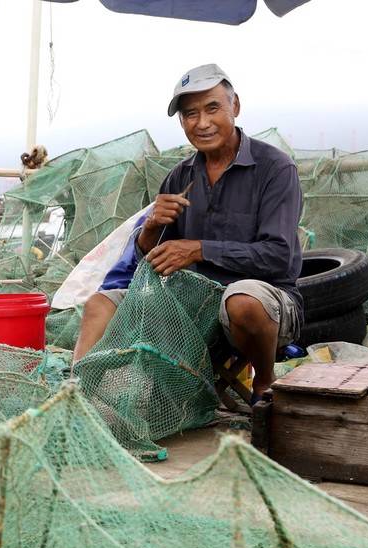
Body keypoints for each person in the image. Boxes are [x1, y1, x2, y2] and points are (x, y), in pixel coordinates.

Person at [72, 64, 303, 400]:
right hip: (188, 308)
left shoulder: (275, 168)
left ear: (234, 106)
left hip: (266, 306)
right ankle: (75, 395)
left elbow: (279, 257)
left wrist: (198, 250)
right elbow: (148, 268)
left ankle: (264, 382)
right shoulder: (179, 177)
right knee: (99, 304)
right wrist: (149, 230)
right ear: (182, 122)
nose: (202, 122)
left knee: (243, 301)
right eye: (190, 114)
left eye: (213, 108)